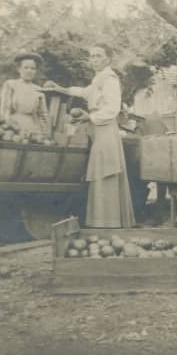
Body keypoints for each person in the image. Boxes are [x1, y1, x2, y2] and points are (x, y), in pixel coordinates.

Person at [44, 45, 135, 228]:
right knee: (99, 168)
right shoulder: (98, 79)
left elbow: (112, 108)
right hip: (97, 128)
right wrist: (62, 89)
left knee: (105, 169)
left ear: (108, 59)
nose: (94, 59)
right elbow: (84, 92)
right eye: (92, 56)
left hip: (106, 128)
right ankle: (102, 219)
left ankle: (109, 221)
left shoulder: (110, 79)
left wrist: (90, 117)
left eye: (98, 56)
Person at [0, 52, 50, 137]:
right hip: (13, 126)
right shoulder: (11, 84)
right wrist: (7, 126)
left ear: (36, 71)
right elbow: (5, 109)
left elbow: (43, 115)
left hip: (32, 127)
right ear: (19, 69)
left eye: (33, 68)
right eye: (26, 68)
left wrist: (45, 133)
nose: (29, 71)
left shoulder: (39, 90)